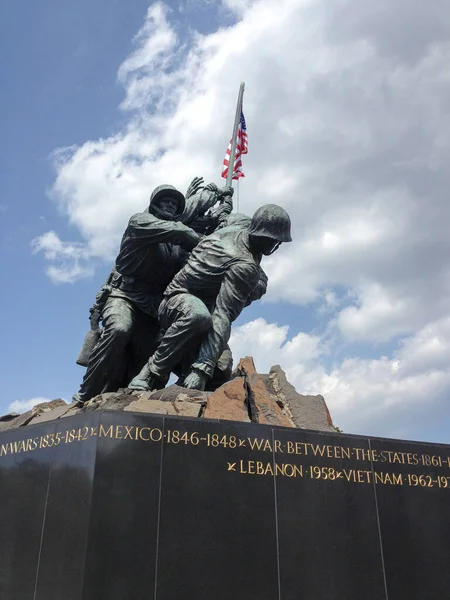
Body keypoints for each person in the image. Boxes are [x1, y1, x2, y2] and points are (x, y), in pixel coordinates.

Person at [73, 181, 233, 404]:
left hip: (151, 306)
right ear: (154, 204)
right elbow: (180, 230)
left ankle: (119, 399)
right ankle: (85, 393)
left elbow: (193, 259)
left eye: (174, 203)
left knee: (140, 360)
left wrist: (219, 225)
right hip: (124, 295)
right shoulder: (140, 222)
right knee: (119, 329)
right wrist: (210, 195)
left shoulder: (175, 246)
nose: (169, 205)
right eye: (165, 201)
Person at [128, 204, 292, 392]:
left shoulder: (240, 224)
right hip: (177, 300)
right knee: (198, 317)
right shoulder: (244, 266)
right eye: (274, 241)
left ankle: (181, 394)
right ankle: (150, 374)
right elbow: (223, 314)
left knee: (221, 367)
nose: (276, 246)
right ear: (264, 238)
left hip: (206, 306)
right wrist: (202, 368)